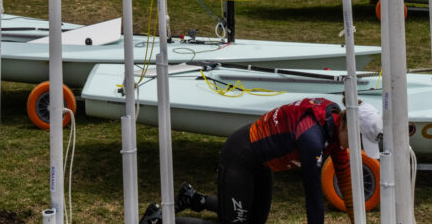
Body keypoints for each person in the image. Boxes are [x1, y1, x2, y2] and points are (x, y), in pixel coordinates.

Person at [146, 96, 356, 224]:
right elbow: (313, 198)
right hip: (240, 157)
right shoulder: (312, 137)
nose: (357, 147)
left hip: (261, 163)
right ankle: (157, 219)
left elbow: (347, 183)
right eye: (358, 140)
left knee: (254, 221)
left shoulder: (337, 130)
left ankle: (194, 198)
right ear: (347, 127)